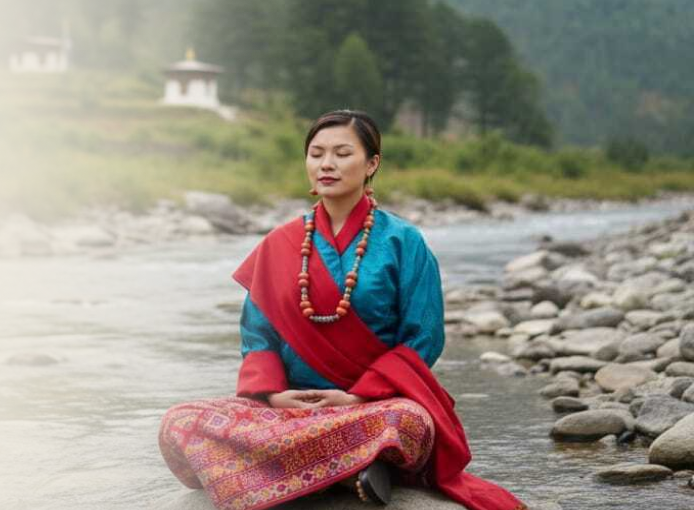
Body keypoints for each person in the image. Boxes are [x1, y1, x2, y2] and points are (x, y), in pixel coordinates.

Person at [156, 110, 524, 510]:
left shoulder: (404, 242)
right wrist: (276, 397)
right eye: (316, 154)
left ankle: (290, 468)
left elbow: (423, 338)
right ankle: (352, 469)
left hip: (371, 407)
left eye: (342, 153)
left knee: (408, 421)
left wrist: (357, 398)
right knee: (181, 420)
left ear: (371, 164)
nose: (326, 164)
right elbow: (257, 336)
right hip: (291, 411)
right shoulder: (280, 243)